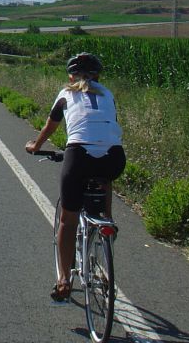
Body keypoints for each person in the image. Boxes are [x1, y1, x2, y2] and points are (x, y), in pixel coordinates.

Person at [24, 52, 126, 302]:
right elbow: (108, 127)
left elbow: (50, 127)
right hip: (115, 156)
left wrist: (35, 146)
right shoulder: (108, 94)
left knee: (68, 221)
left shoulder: (66, 94)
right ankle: (106, 221)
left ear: (71, 75)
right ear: (98, 76)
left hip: (79, 155)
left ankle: (64, 280)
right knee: (105, 176)